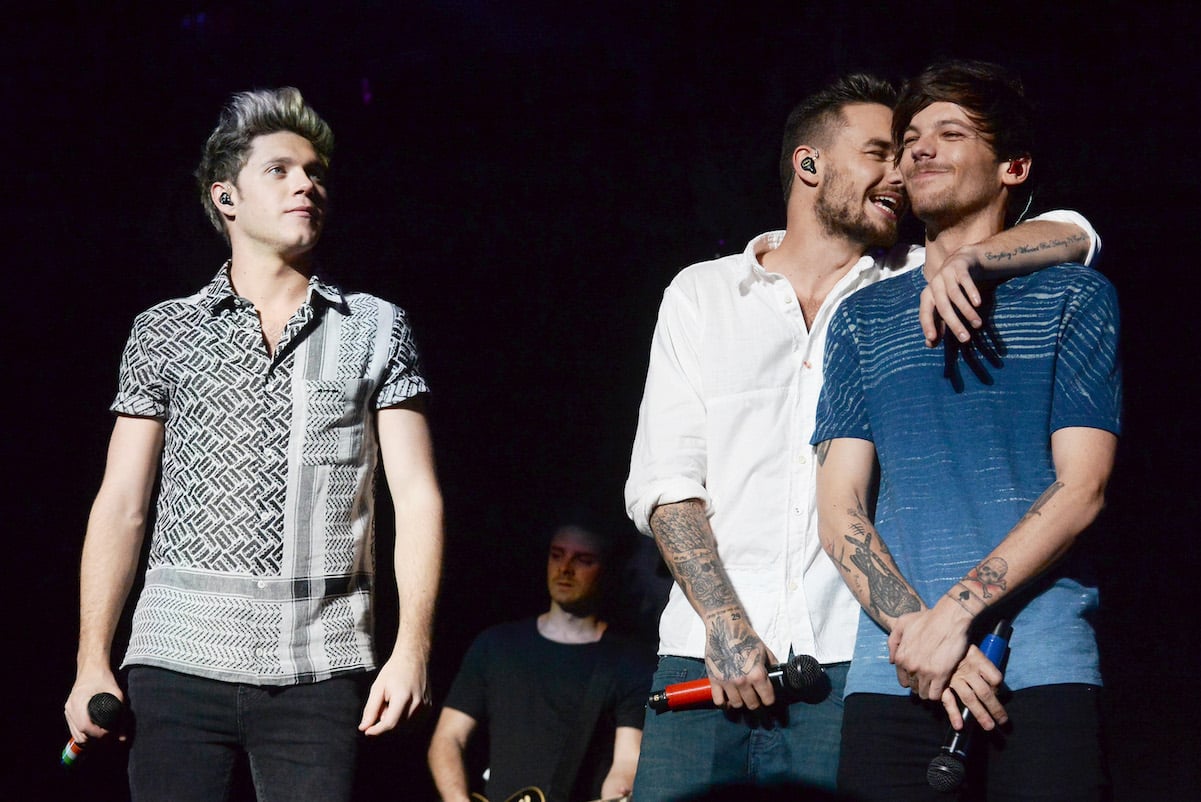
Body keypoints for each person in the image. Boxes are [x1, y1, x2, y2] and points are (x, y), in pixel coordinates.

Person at [624, 72, 1102, 800]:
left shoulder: (917, 279)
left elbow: (1075, 233)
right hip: (704, 658)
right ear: (809, 163)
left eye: (910, 151)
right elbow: (668, 482)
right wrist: (724, 624)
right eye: (883, 151)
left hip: (849, 658)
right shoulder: (703, 293)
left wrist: (924, 631)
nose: (902, 170)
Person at [62, 87, 444, 801]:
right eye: (280, 169)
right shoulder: (164, 330)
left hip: (320, 666)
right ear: (226, 198)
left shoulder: (375, 326)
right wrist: (91, 661)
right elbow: (121, 504)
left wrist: (411, 650)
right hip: (175, 659)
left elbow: (417, 498)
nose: (307, 183)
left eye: (316, 172)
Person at [813, 60, 1120, 801]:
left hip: (1037, 666)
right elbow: (838, 509)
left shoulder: (1074, 295)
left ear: (1013, 166)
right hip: (896, 669)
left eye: (950, 134)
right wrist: (924, 634)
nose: (919, 149)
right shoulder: (861, 317)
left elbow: (1082, 488)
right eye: (910, 138)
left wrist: (956, 615)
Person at [427, 523, 651, 802]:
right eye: (557, 555)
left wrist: (621, 791)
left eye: (583, 560)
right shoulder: (497, 645)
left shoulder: (629, 661)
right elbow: (448, 738)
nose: (565, 568)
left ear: (607, 570)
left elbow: (627, 760)